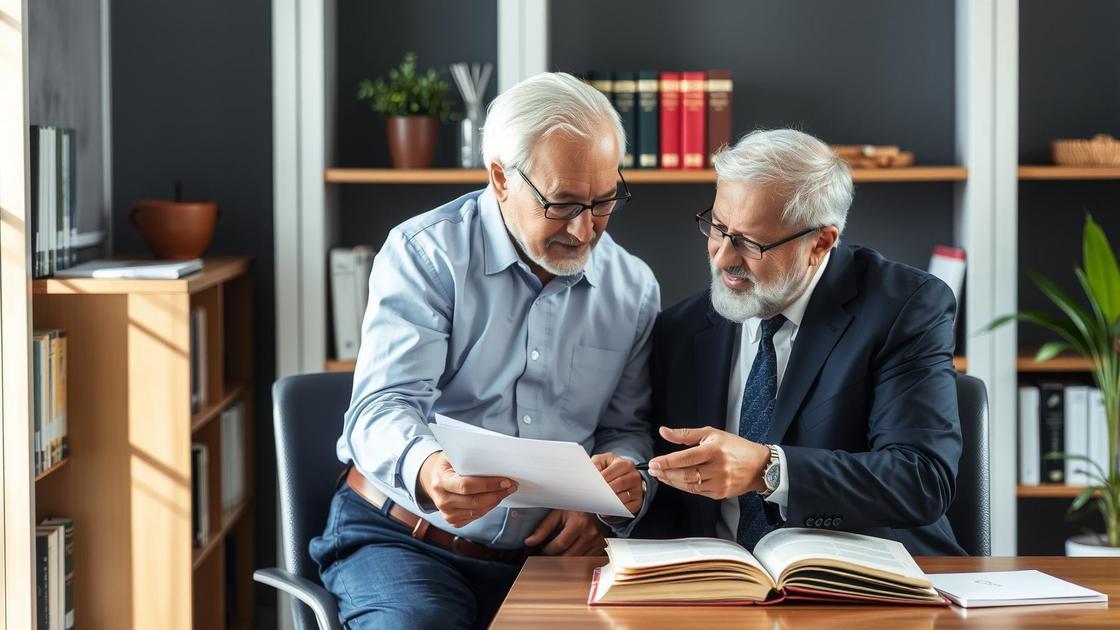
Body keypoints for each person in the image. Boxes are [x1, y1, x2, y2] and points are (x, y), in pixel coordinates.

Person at [309, 72, 660, 629]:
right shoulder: (426, 254)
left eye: (604, 201)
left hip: (545, 560)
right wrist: (428, 471)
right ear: (501, 178)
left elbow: (627, 427)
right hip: (404, 538)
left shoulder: (633, 288)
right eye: (563, 203)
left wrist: (614, 489)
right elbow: (380, 409)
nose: (586, 229)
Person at [635, 128, 965, 556]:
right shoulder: (681, 329)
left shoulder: (904, 308)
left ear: (820, 243)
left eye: (750, 242)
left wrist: (770, 470)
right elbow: (674, 491)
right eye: (717, 228)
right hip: (720, 584)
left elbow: (922, 479)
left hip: (864, 580)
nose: (722, 257)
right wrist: (633, 488)